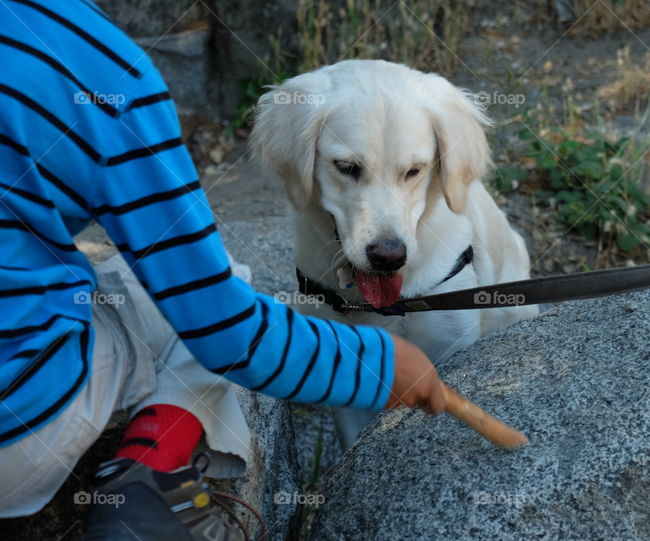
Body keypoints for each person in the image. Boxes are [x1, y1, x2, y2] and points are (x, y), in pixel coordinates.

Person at [0, 1, 446, 539]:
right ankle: (145, 484)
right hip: (17, 435)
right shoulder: (98, 72)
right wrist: (376, 360)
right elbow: (222, 327)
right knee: (210, 287)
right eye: (348, 169)